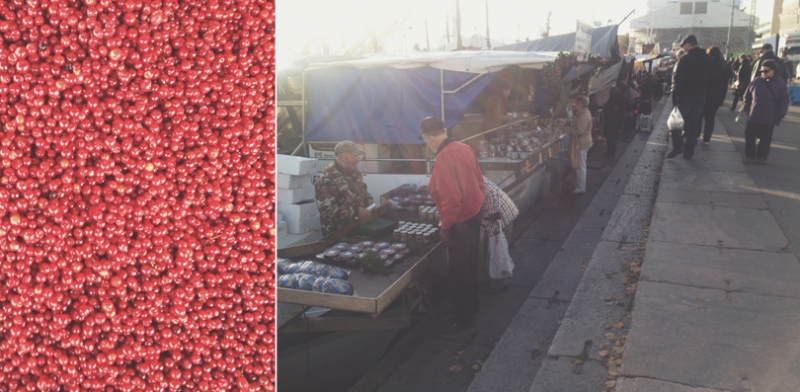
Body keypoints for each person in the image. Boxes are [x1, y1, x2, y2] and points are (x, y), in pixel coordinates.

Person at [420, 116, 486, 333]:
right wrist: (478, 200)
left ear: (428, 138)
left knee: (458, 271)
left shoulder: (443, 158)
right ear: (444, 131)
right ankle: (474, 304)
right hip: (475, 212)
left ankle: (463, 316)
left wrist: (445, 228)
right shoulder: (464, 147)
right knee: (471, 261)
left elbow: (451, 199)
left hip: (460, 220)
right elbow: (480, 179)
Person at [314, 141, 374, 235]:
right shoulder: (327, 177)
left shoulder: (353, 170)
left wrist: (368, 198)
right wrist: (356, 211)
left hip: (356, 225)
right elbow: (328, 210)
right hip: (337, 232)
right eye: (354, 156)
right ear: (341, 158)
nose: (357, 159)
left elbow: (362, 189)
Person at [669, 35, 713, 160]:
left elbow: (678, 79)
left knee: (674, 122)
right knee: (694, 125)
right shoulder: (707, 59)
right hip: (700, 96)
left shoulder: (685, 58)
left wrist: (676, 98)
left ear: (688, 44)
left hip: (685, 96)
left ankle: (678, 146)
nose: (684, 48)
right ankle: (689, 152)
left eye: (684, 46)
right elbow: (711, 78)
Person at [740, 59, 789, 163]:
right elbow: (747, 96)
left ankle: (762, 156)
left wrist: (780, 114)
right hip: (753, 115)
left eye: (766, 71)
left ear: (773, 71)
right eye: (761, 71)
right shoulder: (756, 81)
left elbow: (784, 101)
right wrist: (745, 107)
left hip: (769, 117)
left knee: (765, 139)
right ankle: (749, 156)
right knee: (749, 136)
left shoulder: (780, 84)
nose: (763, 73)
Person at [478, 176, 518, 294]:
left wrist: (495, 232)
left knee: (496, 251)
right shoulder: (468, 176)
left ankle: (499, 285)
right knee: (487, 250)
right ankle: (487, 280)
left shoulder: (485, 188)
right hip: (493, 217)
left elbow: (492, 194)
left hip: (502, 217)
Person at [563, 94, 593, 194]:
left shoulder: (584, 115)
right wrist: (567, 122)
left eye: (575, 104)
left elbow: (579, 131)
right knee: (580, 165)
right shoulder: (582, 113)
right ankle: (580, 186)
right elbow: (577, 124)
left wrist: (565, 129)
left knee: (581, 166)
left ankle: (581, 188)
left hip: (581, 144)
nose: (574, 106)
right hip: (581, 143)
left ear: (580, 104)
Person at [702, 46, 730, 144]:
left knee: (699, 116)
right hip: (717, 95)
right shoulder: (723, 64)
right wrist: (722, 97)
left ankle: (695, 136)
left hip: (704, 93)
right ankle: (706, 139)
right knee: (710, 118)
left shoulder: (706, 62)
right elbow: (725, 83)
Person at [602, 86, 625, 157]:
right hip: (618, 121)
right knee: (615, 137)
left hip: (610, 122)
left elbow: (606, 109)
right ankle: (613, 152)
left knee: (609, 138)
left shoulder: (612, 99)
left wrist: (604, 106)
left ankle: (609, 152)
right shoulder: (622, 99)